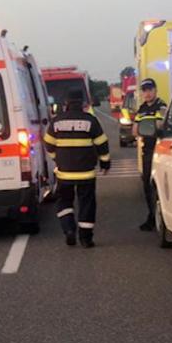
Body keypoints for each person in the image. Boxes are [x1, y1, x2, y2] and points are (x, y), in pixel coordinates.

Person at [44, 87, 111, 248]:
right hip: (86, 174)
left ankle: (68, 230)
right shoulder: (90, 120)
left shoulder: (57, 121)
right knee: (87, 204)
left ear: (66, 103)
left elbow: (48, 144)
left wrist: (57, 159)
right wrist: (105, 163)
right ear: (82, 104)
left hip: (64, 174)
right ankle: (86, 239)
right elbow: (102, 143)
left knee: (64, 202)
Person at [132, 78, 168, 230]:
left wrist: (148, 128)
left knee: (159, 185)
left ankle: (162, 217)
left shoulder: (162, 106)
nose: (147, 93)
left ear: (155, 90)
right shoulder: (141, 110)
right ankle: (151, 216)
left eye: (149, 89)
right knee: (147, 184)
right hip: (147, 151)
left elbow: (161, 125)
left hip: (160, 150)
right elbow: (135, 130)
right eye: (144, 90)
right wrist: (143, 129)